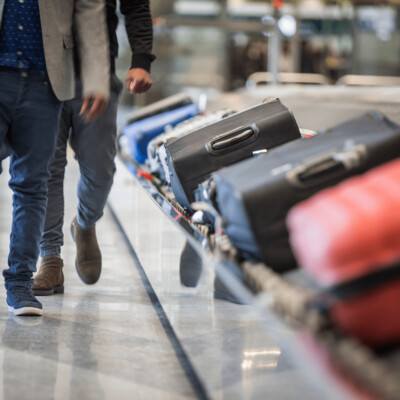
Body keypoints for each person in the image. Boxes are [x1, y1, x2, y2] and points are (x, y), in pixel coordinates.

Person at [32, 1, 155, 295]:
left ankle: (85, 223)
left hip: (97, 71)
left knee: (100, 169)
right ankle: (50, 258)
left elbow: (136, 5)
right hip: (44, 69)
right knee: (47, 168)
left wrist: (141, 60)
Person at [0, 0, 110, 316]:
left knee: (32, 186)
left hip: (44, 79)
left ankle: (20, 284)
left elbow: (90, 10)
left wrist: (96, 77)